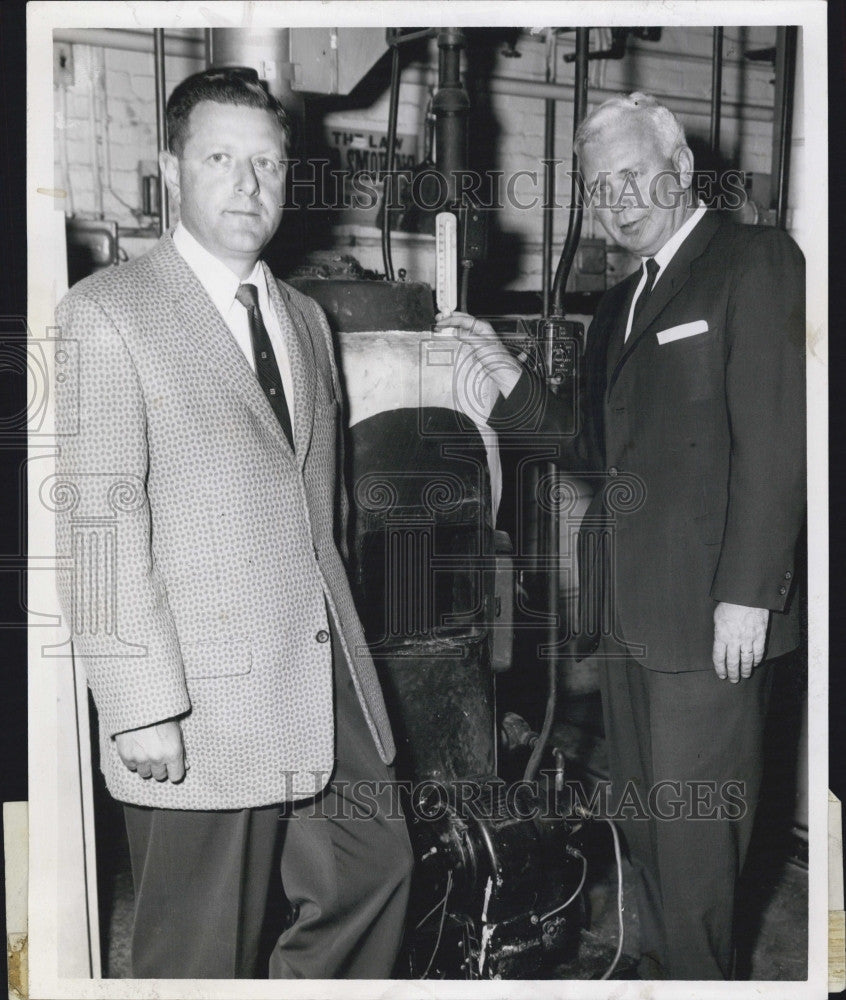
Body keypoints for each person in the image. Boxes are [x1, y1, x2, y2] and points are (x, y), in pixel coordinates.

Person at [54, 66, 413, 980]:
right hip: (199, 697)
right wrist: (141, 706)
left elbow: (318, 511)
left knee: (373, 876)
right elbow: (97, 525)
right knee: (198, 950)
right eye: (220, 158)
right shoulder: (107, 313)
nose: (249, 184)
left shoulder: (303, 319)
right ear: (171, 170)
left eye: (267, 162)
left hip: (320, 669)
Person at [435, 92, 806, 979]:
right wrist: (507, 371)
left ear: (680, 169)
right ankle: (658, 974)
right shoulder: (619, 305)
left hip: (711, 625)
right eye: (600, 186)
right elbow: (587, 449)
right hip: (634, 622)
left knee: (696, 850)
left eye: (633, 174)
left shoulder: (754, 264)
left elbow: (778, 439)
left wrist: (749, 595)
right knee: (643, 829)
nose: (619, 197)